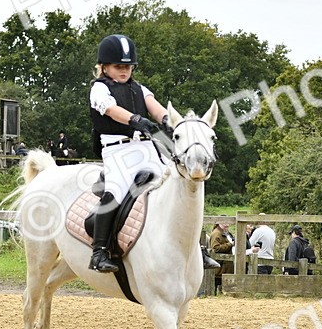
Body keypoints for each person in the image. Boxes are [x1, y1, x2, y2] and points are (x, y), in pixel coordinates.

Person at [88, 33, 220, 273]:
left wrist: (170, 121)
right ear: (104, 67)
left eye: (128, 66)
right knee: (115, 192)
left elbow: (156, 108)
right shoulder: (99, 89)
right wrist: (136, 120)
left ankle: (196, 248)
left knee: (179, 185)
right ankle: (99, 252)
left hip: (146, 148)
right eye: (118, 66)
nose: (124, 71)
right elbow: (111, 110)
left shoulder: (139, 88)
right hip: (117, 150)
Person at [208, 222, 235, 289]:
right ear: (219, 223)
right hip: (220, 268)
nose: (227, 224)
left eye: (227, 222)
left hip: (225, 267)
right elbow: (215, 248)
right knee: (216, 287)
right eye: (224, 222)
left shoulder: (226, 233)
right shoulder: (216, 233)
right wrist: (230, 244)